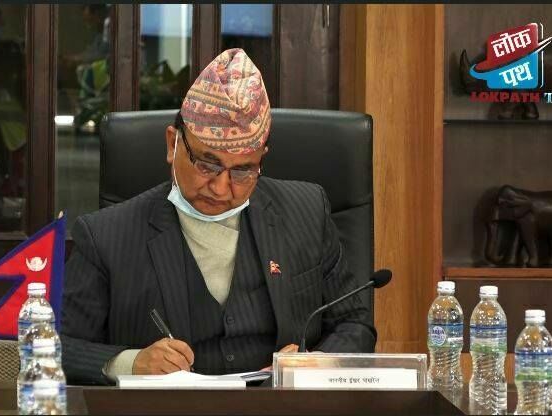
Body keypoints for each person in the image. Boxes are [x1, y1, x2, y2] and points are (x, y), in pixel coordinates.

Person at [60, 48, 376, 385]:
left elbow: (354, 322)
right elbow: (56, 347)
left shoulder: (306, 211)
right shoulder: (106, 235)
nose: (222, 188)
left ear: (262, 159)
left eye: (243, 171)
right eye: (207, 164)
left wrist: (321, 362)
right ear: (172, 144)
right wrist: (130, 363)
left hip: (280, 405)